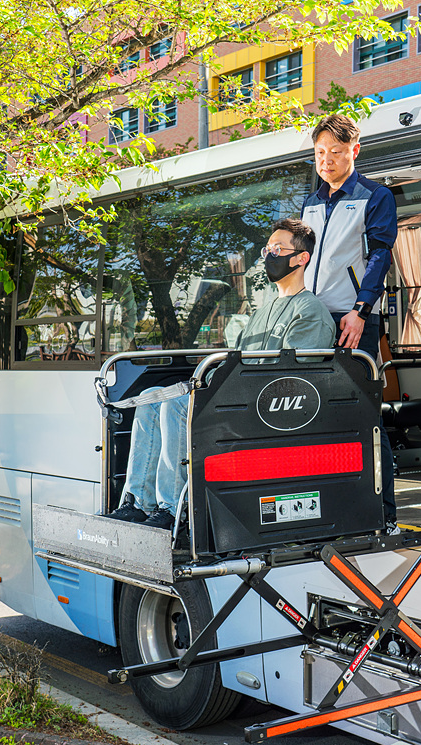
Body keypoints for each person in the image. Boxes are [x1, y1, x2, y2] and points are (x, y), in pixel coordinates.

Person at [106, 219, 336, 530]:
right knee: (149, 398)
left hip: (262, 408)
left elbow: (294, 382)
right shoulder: (261, 313)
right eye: (267, 249)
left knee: (175, 407)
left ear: (301, 258)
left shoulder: (310, 312)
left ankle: (173, 509)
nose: (269, 255)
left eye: (278, 249)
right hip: (237, 396)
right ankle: (139, 502)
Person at [301, 113, 399, 532]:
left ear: (354, 152)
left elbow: (380, 255)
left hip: (352, 318)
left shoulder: (375, 197)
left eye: (335, 153)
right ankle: (335, 509)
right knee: (318, 417)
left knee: (362, 417)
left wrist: (361, 309)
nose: (326, 160)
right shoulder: (311, 202)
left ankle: (384, 514)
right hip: (310, 317)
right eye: (320, 153)